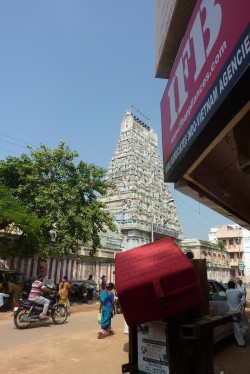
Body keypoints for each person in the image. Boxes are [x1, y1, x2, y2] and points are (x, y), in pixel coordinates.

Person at [226, 280, 249, 347]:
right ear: (235, 286)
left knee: (237, 328)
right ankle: (241, 341)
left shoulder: (226, 292)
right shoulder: (238, 292)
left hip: (232, 313)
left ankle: (240, 340)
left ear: (228, 286)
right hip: (239, 312)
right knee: (246, 327)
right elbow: (242, 294)